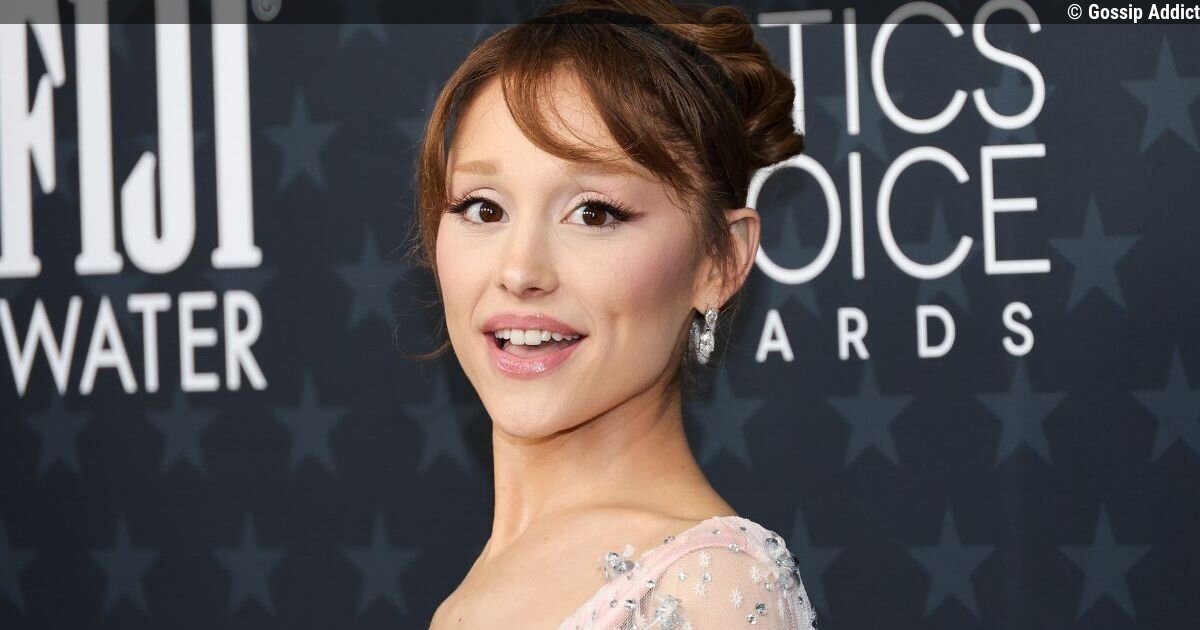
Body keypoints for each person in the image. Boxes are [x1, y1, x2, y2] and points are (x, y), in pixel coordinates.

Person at [407, 0, 814, 627]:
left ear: (720, 261)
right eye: (484, 208)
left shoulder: (707, 589)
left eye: (594, 213)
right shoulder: (479, 586)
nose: (520, 270)